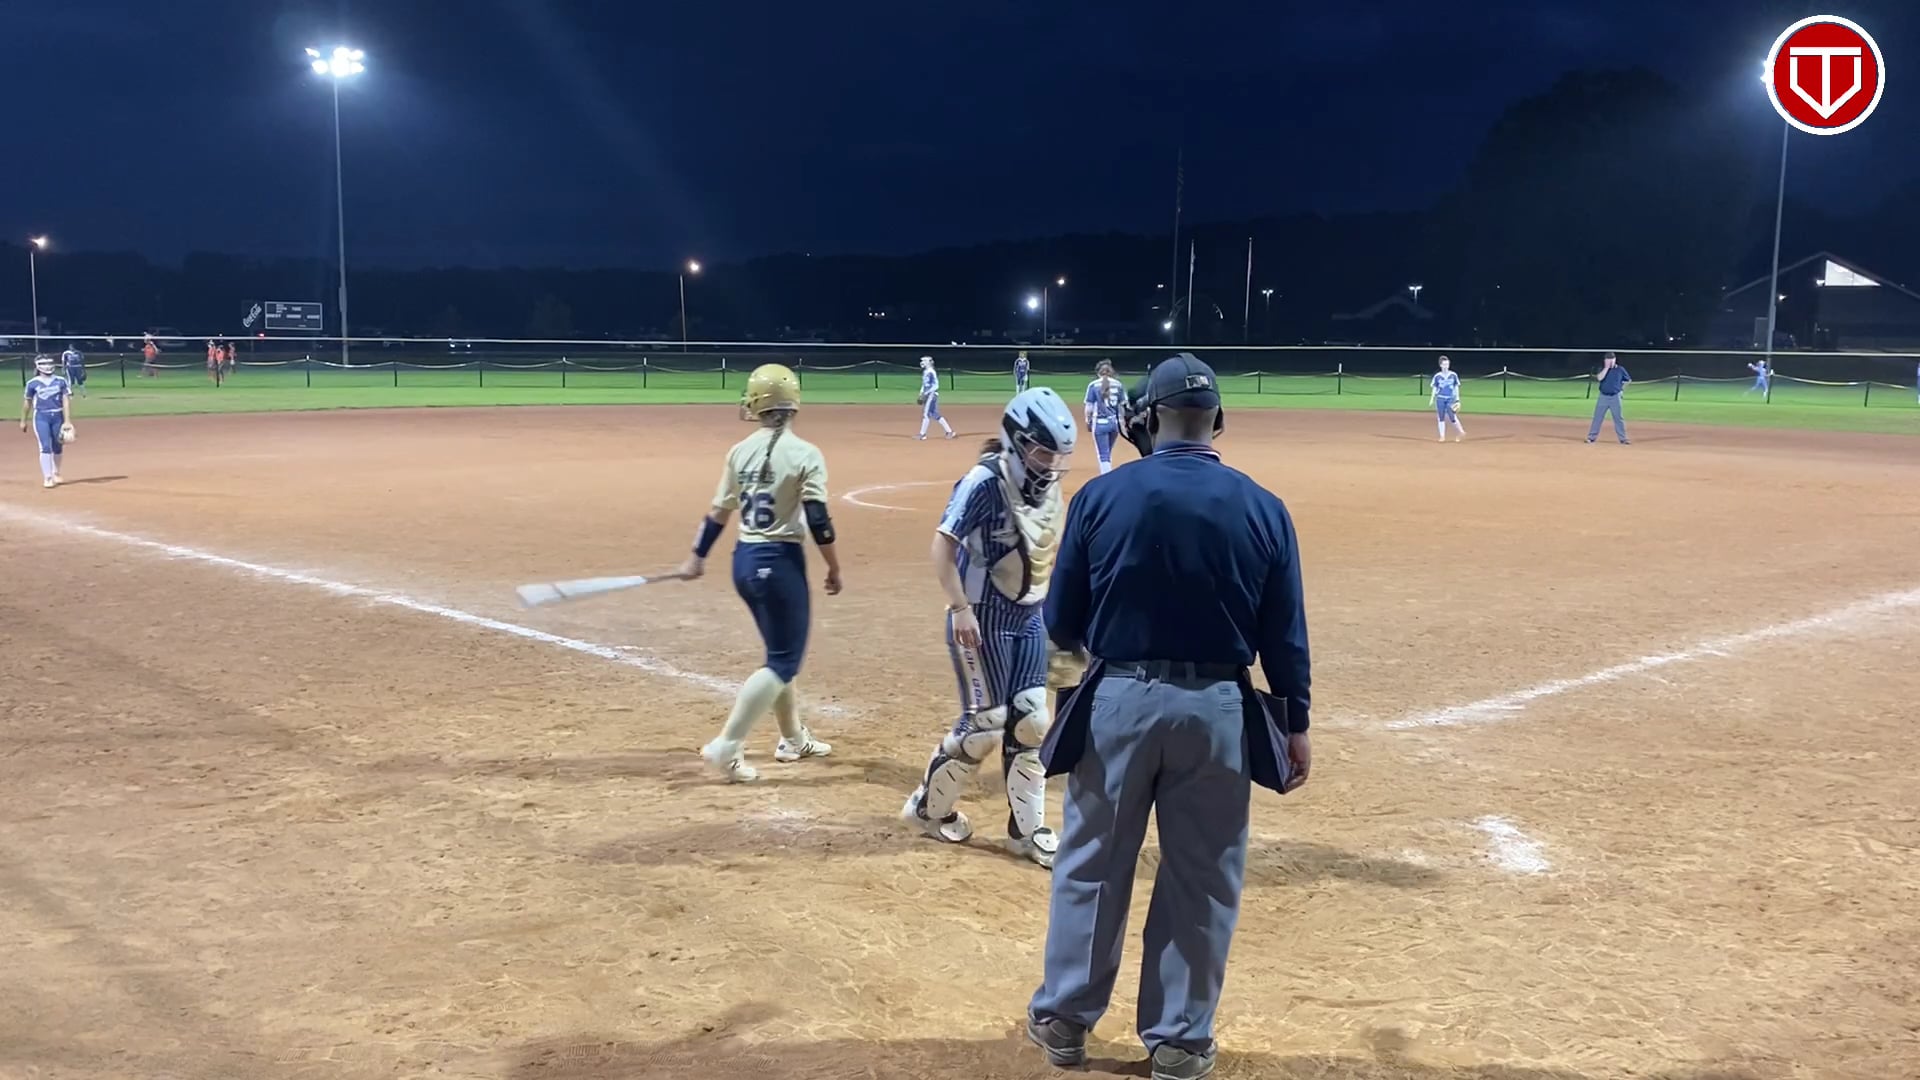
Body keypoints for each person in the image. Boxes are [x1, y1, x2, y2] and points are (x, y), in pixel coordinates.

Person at [1025, 352, 1312, 1080]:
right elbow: (1284, 635)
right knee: (1202, 875)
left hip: (1117, 700)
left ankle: (1065, 1019)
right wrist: (1296, 722)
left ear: (1148, 418)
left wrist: (1066, 701)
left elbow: (1061, 623)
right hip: (1219, 707)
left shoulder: (1101, 496)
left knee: (1093, 864)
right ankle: (1180, 1039)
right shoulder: (1264, 507)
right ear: (1218, 420)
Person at [901, 387, 1078, 869]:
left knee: (1032, 722)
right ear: (1017, 441)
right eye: (1042, 452)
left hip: (1029, 616)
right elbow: (943, 544)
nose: (1051, 464)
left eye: (1057, 455)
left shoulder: (1046, 488)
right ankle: (927, 810)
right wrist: (959, 607)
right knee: (983, 726)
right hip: (982, 617)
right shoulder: (984, 482)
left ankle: (1027, 831)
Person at [678, 363, 841, 782]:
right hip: (780, 564)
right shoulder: (805, 453)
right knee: (784, 662)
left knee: (778, 653)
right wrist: (833, 566)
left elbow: (719, 513)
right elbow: (818, 519)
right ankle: (726, 745)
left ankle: (793, 739)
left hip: (744, 561)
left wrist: (697, 556)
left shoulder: (739, 451)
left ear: (756, 403)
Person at [21, 356, 76, 489]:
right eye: (44, 363)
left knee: (58, 445)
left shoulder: (61, 381)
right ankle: (48, 477)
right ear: (38, 366)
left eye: (49, 363)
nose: (47, 366)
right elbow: (27, 402)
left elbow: (66, 401)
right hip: (41, 416)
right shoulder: (33, 383)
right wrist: (23, 420)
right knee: (45, 446)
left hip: (57, 415)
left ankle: (56, 472)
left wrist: (67, 420)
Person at [1083, 359, 1126, 474]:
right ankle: (1107, 471)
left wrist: (1088, 421)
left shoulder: (1093, 385)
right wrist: (1122, 422)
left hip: (1100, 423)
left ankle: (1106, 476)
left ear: (1098, 372)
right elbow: (1122, 406)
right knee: (1107, 452)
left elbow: (1089, 407)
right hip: (1114, 423)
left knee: (1103, 454)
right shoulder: (1118, 384)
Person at [1587, 351, 1631, 444]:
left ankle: (1623, 439)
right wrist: (1606, 368)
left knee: (1618, 418)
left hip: (1615, 397)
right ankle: (1591, 437)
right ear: (1605, 361)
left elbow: (1628, 380)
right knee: (1598, 417)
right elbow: (1599, 378)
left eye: (1612, 360)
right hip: (1603, 396)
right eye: (1608, 360)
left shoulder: (1620, 369)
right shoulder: (1602, 369)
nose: (1610, 362)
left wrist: (1621, 390)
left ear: (1615, 360)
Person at [916, 356, 956, 440]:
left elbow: (934, 385)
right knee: (935, 414)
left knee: (926, 414)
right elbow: (924, 384)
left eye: (924, 361)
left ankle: (922, 434)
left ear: (928, 362)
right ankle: (949, 432)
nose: (922, 363)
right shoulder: (926, 372)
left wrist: (926, 394)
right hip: (927, 394)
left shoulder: (931, 372)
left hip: (931, 394)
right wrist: (921, 393)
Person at [1429, 355, 1465, 442]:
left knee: (1452, 417)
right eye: (1444, 364)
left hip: (1450, 398)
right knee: (1441, 417)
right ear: (1440, 365)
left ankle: (1461, 432)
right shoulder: (1437, 376)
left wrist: (1457, 399)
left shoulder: (1453, 375)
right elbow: (1434, 388)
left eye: (1447, 364)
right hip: (1440, 398)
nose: (1446, 366)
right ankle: (1442, 436)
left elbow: (1456, 387)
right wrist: (1432, 399)